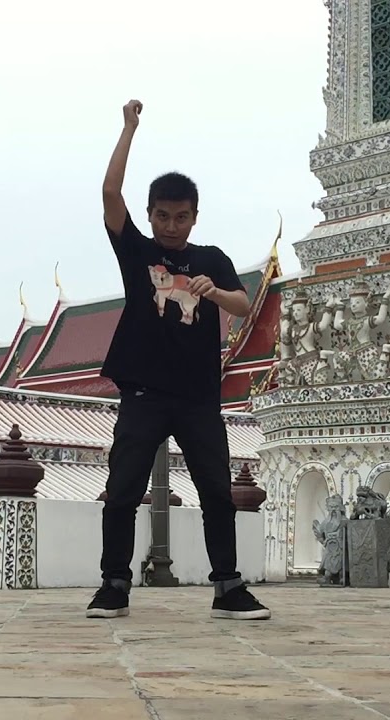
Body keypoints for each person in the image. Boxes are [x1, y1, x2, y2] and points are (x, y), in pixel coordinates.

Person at [87, 99, 271, 621]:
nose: (172, 225)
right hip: (143, 392)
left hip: (197, 398)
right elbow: (109, 194)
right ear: (150, 215)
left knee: (216, 493)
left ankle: (228, 587)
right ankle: (114, 584)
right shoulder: (138, 253)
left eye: (182, 216)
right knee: (123, 490)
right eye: (163, 216)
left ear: (195, 216)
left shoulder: (210, 259)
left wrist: (214, 292)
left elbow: (243, 304)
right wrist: (128, 128)